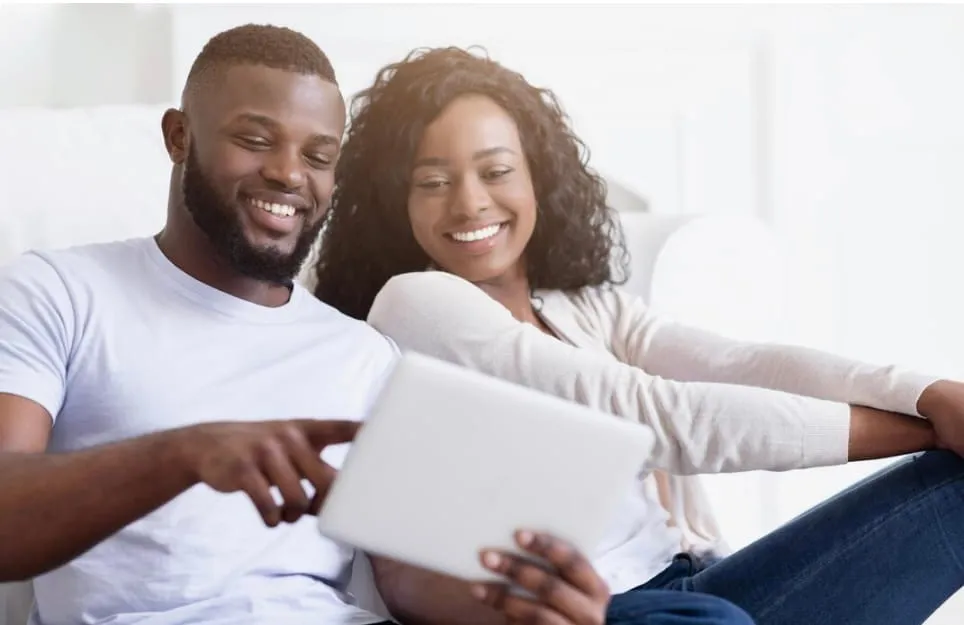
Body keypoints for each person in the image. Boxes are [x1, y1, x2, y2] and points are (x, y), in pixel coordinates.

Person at [0, 25, 637, 625]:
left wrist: (517, 602)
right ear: (179, 137)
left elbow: (404, 577)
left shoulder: (364, 353)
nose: (289, 173)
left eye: (318, 154)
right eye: (255, 140)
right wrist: (184, 454)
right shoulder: (60, 292)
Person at [311, 45, 964, 625]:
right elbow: (650, 414)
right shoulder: (415, 304)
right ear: (398, 197)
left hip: (700, 583)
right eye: (433, 182)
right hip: (597, 608)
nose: (470, 201)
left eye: (496, 169)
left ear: (537, 174)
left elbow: (741, 364)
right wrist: (927, 428)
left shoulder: (589, 309)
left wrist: (929, 391)